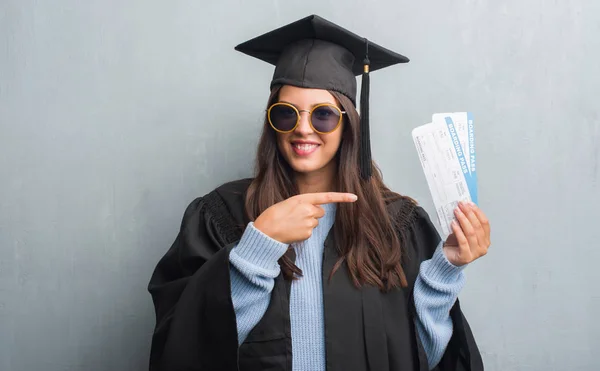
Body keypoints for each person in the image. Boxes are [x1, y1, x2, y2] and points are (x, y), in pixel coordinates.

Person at [147, 14, 491, 371]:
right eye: (286, 114)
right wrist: (256, 248)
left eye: (323, 115)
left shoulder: (396, 225)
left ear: (349, 123)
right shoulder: (222, 215)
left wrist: (446, 269)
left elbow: (422, 360)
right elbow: (185, 350)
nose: (303, 129)